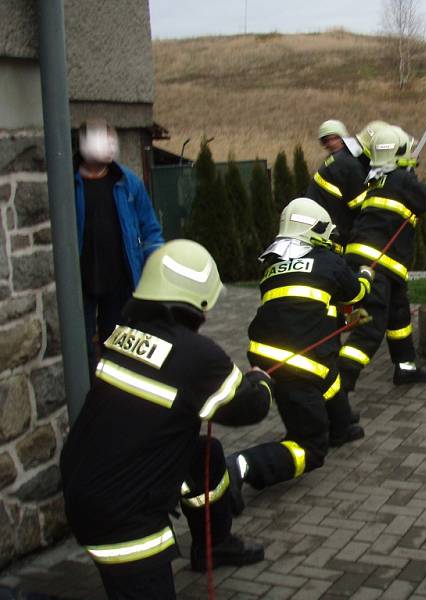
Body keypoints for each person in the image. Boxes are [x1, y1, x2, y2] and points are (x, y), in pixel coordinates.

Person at [60, 239, 274, 599]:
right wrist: (261, 380)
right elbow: (250, 408)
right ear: (198, 304)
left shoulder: (121, 335)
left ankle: (213, 545)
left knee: (205, 454)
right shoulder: (198, 356)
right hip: (124, 518)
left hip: (85, 486)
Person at [227, 198, 372, 501]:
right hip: (302, 365)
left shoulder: (272, 268)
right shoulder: (329, 261)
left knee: (330, 381)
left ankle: (342, 427)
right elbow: (354, 292)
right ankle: (240, 467)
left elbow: (303, 308)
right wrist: (367, 278)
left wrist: (342, 319)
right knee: (311, 446)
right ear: (315, 231)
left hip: (267, 363)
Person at [339, 126, 426, 389]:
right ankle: (339, 384)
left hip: (379, 264)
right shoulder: (400, 179)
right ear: (398, 152)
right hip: (377, 265)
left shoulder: (378, 180)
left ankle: (405, 368)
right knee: (370, 327)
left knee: (398, 317)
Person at [74, 118, 164, 367]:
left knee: (119, 349)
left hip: (119, 283)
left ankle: (116, 394)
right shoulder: (70, 184)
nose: (110, 146)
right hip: (81, 282)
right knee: (81, 351)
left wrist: (153, 264)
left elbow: (150, 229)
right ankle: (90, 396)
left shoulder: (127, 183)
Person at [306, 119, 368, 249]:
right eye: (325, 141)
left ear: (343, 137)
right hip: (335, 233)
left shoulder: (336, 162)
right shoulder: (346, 163)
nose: (329, 144)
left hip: (322, 229)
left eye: (333, 139)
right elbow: (360, 204)